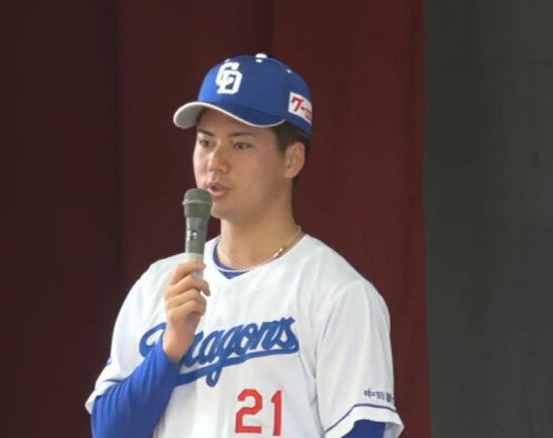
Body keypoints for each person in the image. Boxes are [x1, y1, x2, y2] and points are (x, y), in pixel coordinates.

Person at [86, 53, 404, 437]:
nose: (214, 162)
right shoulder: (158, 284)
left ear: (292, 160)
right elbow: (109, 431)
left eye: (240, 145)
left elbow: (362, 430)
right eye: (205, 142)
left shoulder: (338, 293)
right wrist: (169, 349)